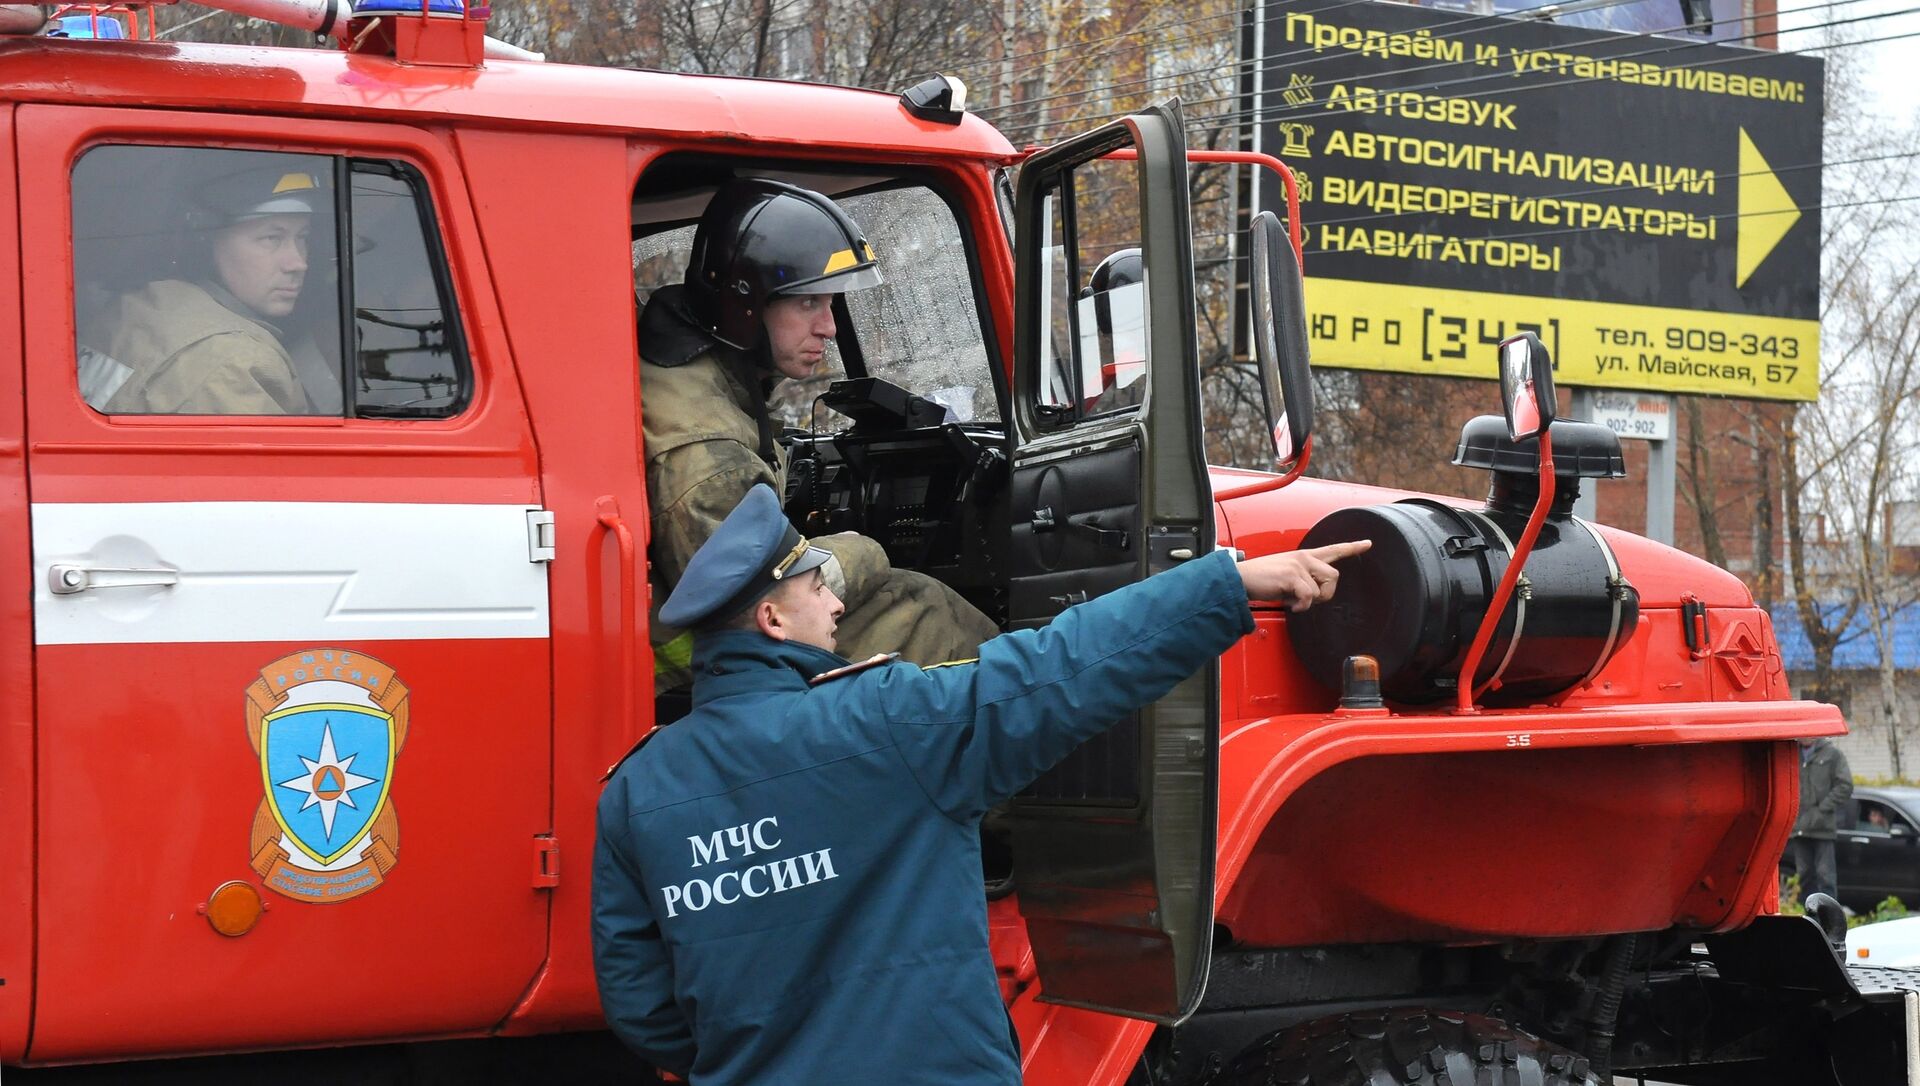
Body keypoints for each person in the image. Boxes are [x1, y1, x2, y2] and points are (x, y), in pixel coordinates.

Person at [592, 483, 1371, 1084]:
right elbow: (1061, 665)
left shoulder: (635, 790)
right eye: (815, 585)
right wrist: (1225, 585)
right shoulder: (889, 725)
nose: (836, 601)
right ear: (770, 619)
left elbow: (643, 1006)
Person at [637, 178, 997, 696]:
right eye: (808, 303)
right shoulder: (710, 455)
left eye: (830, 304)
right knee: (923, 611)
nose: (829, 327)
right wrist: (864, 550)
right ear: (746, 303)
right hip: (695, 662)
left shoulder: (699, 372)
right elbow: (763, 602)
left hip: (704, 636)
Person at [79, 161, 320, 414]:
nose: (298, 263)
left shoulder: (135, 308)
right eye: (272, 238)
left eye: (302, 237)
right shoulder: (233, 364)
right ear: (207, 243)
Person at [1782, 735, 1853, 905]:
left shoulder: (1832, 754)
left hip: (1823, 828)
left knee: (1825, 876)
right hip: (1799, 827)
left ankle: (1830, 918)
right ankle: (1809, 917)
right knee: (1804, 876)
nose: (1804, 736)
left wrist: (1823, 808)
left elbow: (1845, 786)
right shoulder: (1791, 754)